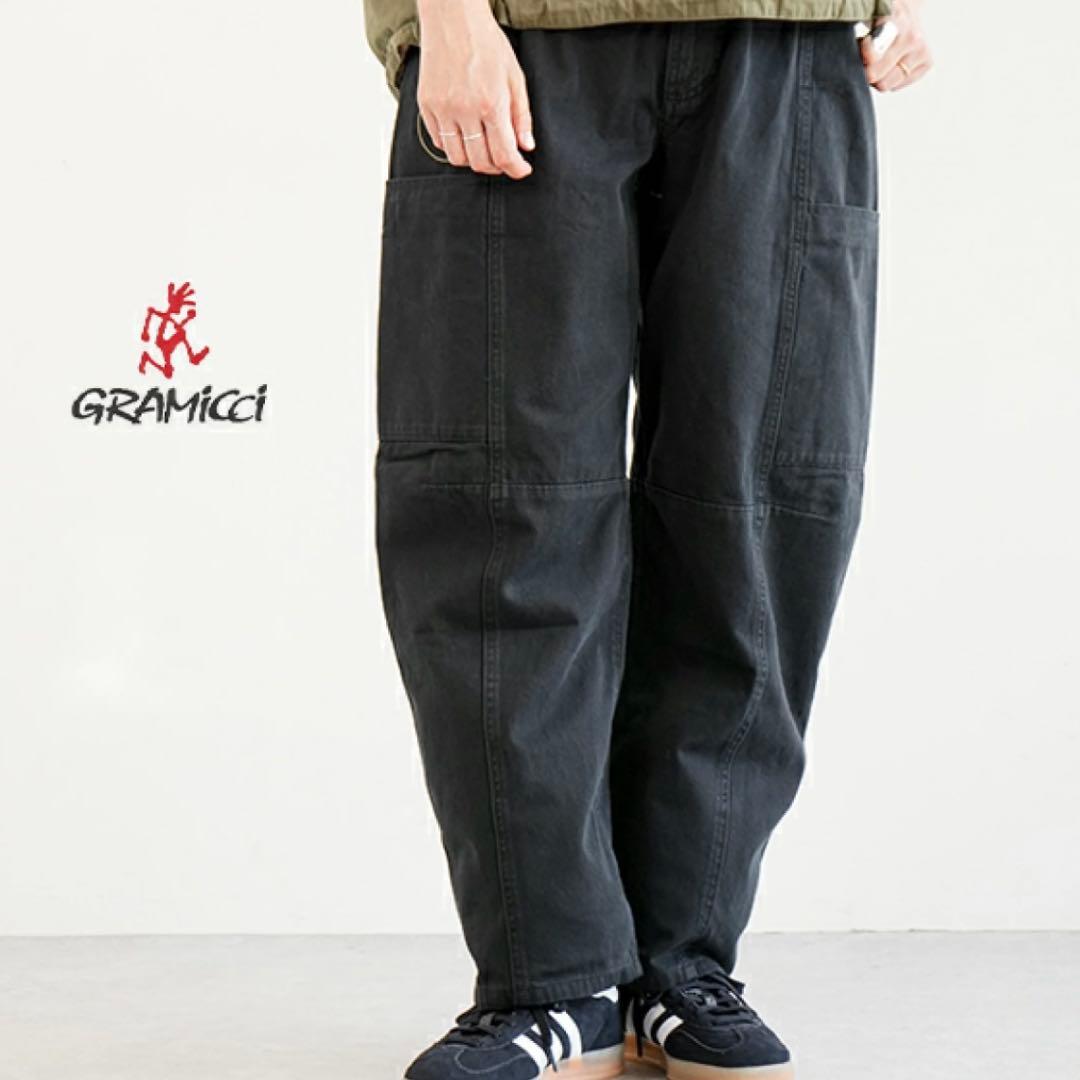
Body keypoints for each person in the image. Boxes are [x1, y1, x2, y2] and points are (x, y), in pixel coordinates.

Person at [363, 0, 932, 1075]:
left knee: (754, 510)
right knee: (505, 506)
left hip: (788, 38)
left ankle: (683, 965)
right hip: (524, 31)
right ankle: (553, 980)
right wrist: (448, 15)